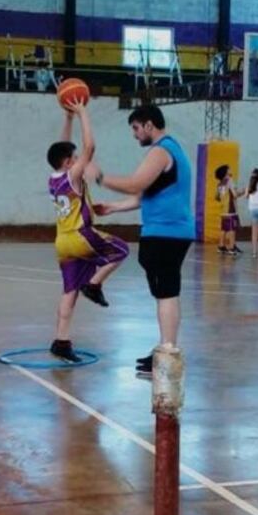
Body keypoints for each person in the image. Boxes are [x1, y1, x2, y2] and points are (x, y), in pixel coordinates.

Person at [89, 105, 195, 376]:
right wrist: (113, 208)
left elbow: (136, 183)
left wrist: (101, 178)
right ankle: (165, 348)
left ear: (149, 125)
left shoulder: (161, 151)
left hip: (166, 232)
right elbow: (142, 196)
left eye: (136, 128)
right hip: (168, 231)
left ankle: (167, 352)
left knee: (167, 292)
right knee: (165, 292)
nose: (135, 135)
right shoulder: (172, 151)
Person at [46, 102, 129, 363]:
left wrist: (67, 119)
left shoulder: (54, 177)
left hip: (62, 242)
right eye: (74, 157)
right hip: (81, 235)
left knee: (69, 291)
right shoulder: (73, 175)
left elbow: (63, 147)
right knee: (122, 249)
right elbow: (89, 148)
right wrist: (82, 113)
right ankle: (94, 284)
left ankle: (61, 340)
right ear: (70, 162)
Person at [214, 165, 243, 256]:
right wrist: (242, 191)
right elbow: (235, 195)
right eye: (229, 169)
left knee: (224, 229)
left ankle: (221, 246)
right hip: (230, 210)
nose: (230, 170)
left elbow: (217, 198)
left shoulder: (220, 184)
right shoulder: (230, 181)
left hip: (223, 210)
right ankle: (231, 247)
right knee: (232, 229)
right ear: (226, 172)